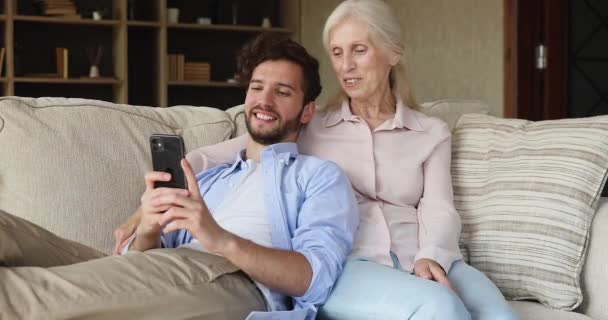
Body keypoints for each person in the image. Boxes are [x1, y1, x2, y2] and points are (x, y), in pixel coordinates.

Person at [116, 0, 519, 319]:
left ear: (393, 53)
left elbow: (439, 207)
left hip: (422, 252)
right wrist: (144, 211)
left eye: (359, 50)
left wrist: (433, 257)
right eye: (338, 53)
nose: (346, 66)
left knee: (501, 315)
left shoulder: (431, 132)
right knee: (440, 310)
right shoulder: (313, 124)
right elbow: (220, 152)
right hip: (350, 263)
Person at [0, 34, 358, 320]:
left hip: (237, 282)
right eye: (256, 87)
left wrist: (217, 237)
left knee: (21, 295)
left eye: (282, 92)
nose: (264, 100)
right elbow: (145, 263)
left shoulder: (319, 176)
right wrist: (149, 230)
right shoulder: (212, 175)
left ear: (307, 110)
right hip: (163, 268)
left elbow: (314, 278)